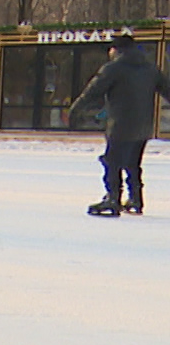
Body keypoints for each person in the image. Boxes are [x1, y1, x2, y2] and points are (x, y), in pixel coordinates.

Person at [71, 32, 170, 215]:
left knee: (112, 162)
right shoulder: (150, 68)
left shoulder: (113, 68)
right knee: (133, 163)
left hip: (120, 125)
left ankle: (113, 199)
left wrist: (75, 108)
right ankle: (136, 199)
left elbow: (93, 91)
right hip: (143, 127)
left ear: (116, 49)